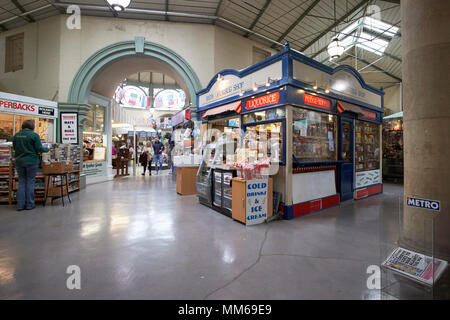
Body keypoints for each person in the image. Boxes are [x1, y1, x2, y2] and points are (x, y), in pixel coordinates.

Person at [12, 120, 49, 211]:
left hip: (19, 161)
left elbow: (14, 147)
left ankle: (20, 205)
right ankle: (29, 204)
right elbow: (39, 148)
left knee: (21, 182)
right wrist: (47, 149)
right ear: (32, 127)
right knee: (30, 182)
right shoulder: (34, 135)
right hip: (31, 161)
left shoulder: (16, 135)